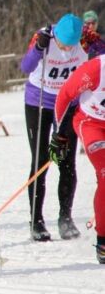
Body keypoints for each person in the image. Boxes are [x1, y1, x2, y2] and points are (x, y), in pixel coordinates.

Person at [19, 13, 84, 241]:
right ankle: (36, 221)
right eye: (63, 45)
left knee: (66, 160)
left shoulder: (85, 41)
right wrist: (38, 48)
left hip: (67, 104)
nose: (67, 50)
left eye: (70, 46)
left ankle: (65, 218)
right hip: (38, 102)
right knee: (41, 159)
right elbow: (25, 67)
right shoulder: (44, 36)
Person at [52, 54, 105, 263]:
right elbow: (65, 94)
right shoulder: (96, 69)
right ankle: (103, 240)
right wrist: (59, 133)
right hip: (90, 123)